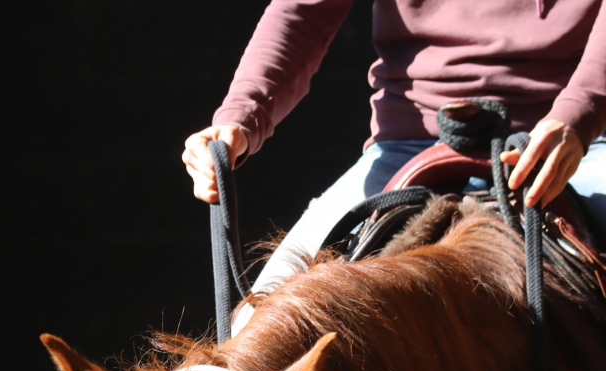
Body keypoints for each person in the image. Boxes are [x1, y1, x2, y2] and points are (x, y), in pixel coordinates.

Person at [183, 0, 606, 332]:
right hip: (411, 140)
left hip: (581, 141)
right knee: (253, 333)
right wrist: (239, 118)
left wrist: (579, 114)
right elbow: (302, 12)